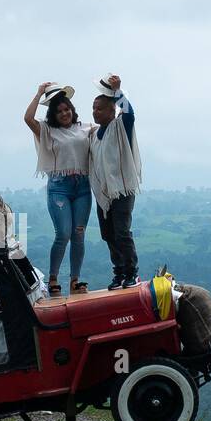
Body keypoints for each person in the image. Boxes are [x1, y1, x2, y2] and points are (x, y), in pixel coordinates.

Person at [24, 81, 91, 297]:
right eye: (60, 111)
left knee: (78, 234)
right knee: (63, 233)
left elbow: (108, 132)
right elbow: (28, 119)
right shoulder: (47, 131)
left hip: (82, 186)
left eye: (67, 109)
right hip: (59, 188)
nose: (64, 113)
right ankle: (54, 278)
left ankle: (75, 280)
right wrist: (38, 94)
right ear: (54, 114)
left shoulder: (85, 128)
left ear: (72, 110)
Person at [89, 73, 142, 289]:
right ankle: (119, 272)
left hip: (122, 190)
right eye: (93, 108)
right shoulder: (93, 134)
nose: (95, 112)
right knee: (108, 234)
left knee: (122, 232)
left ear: (112, 110)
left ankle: (131, 272)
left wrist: (118, 91)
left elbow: (129, 114)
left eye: (100, 108)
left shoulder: (120, 127)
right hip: (104, 194)